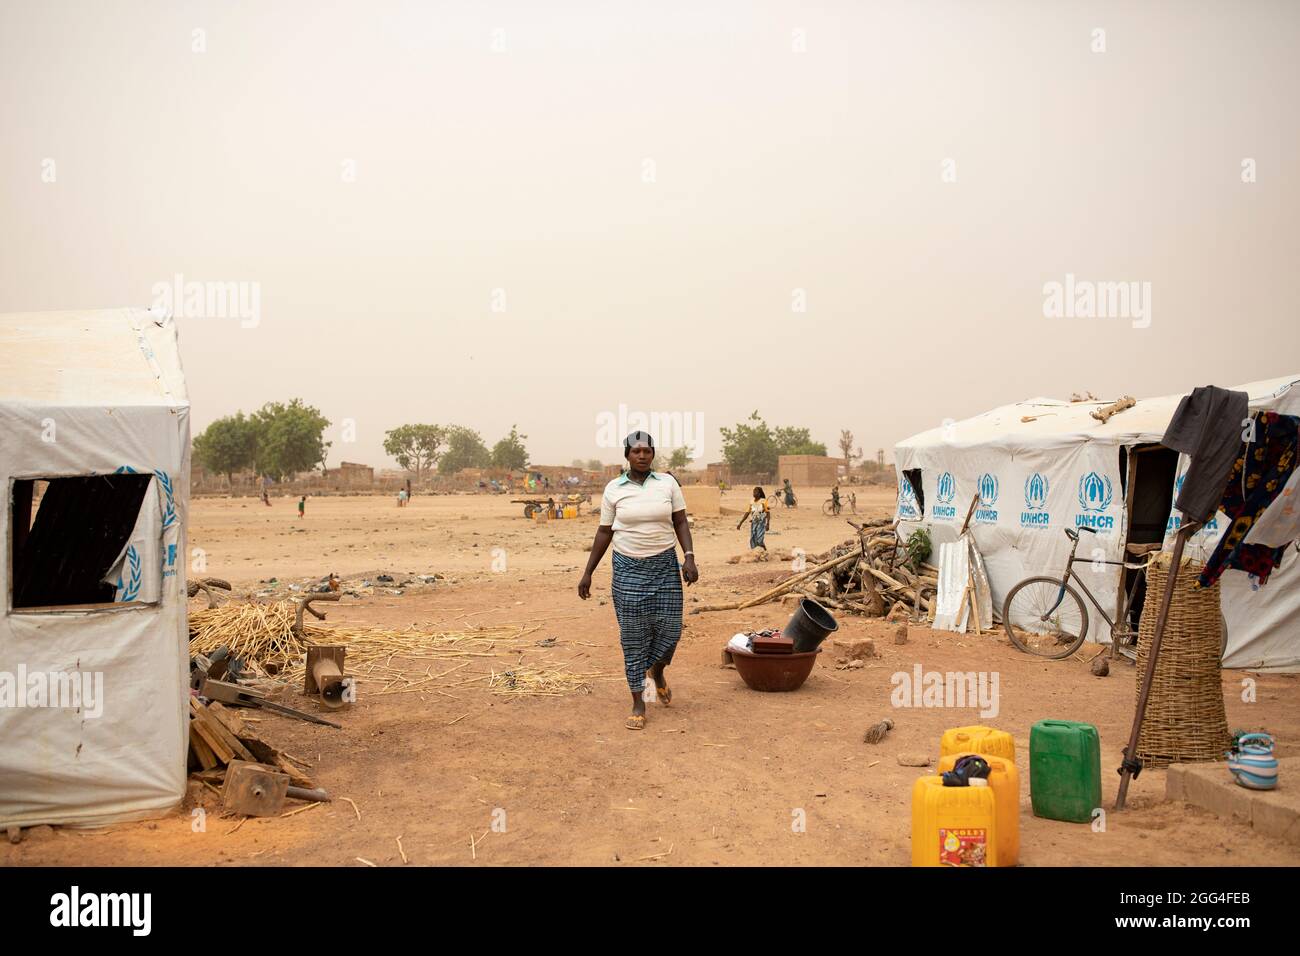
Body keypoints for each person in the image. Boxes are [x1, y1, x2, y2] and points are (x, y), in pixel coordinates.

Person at [578, 431, 698, 731]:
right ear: (627, 456)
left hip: (665, 567)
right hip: (627, 569)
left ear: (653, 454)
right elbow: (605, 531)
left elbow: (680, 521)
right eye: (636, 451)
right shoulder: (613, 489)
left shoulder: (668, 484)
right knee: (633, 637)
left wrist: (689, 556)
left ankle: (657, 672)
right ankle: (639, 701)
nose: (642, 456)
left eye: (647, 451)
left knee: (670, 631)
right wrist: (588, 571)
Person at [738, 486, 770, 551]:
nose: (754, 493)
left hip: (761, 523)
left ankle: (765, 551)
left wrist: (768, 524)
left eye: (756, 492)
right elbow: (747, 513)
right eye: (753, 492)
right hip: (754, 523)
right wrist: (740, 523)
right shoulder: (751, 502)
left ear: (759, 493)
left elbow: (768, 513)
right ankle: (758, 553)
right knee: (753, 540)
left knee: (759, 540)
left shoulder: (763, 501)